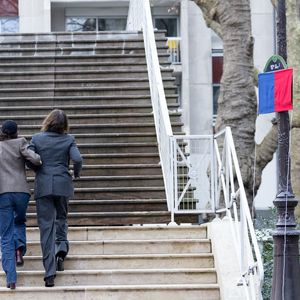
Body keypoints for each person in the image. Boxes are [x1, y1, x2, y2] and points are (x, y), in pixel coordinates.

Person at [28, 109, 82, 287]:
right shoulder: (69, 139)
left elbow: (28, 156)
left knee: (46, 227)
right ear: (64, 124)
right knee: (61, 219)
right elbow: (78, 159)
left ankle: (49, 273)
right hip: (62, 183)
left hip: (43, 185)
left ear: (48, 121)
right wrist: (76, 174)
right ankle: (61, 250)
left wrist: (37, 170)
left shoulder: (36, 139)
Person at [0, 120, 42, 289]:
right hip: (21, 192)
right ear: (16, 131)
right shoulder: (21, 142)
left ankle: (11, 278)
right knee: (19, 221)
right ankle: (19, 249)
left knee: (5, 235)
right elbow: (36, 160)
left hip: (3, 193)